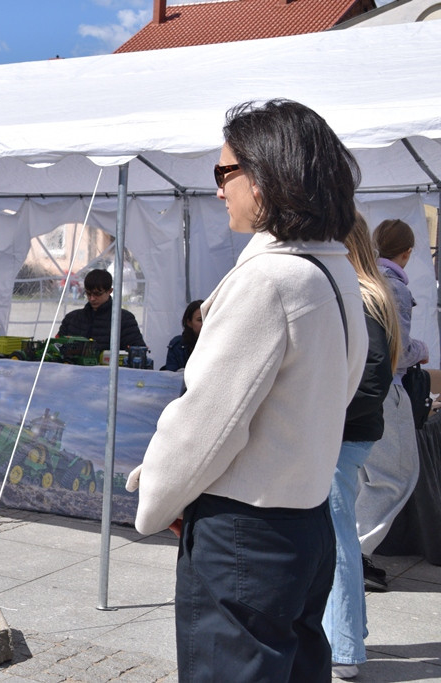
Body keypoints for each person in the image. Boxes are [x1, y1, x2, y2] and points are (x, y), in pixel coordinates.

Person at [127, 99, 367, 682]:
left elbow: (207, 421)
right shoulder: (333, 270)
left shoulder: (269, 278)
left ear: (267, 176)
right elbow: (343, 386)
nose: (217, 190)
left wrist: (156, 501)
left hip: (246, 533)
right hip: (303, 523)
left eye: (224, 173)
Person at [323, 213, 399, 680]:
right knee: (339, 534)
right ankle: (351, 636)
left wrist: (326, 418)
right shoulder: (372, 294)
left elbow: (371, 379)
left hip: (342, 434)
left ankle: (346, 650)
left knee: (337, 539)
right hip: (350, 431)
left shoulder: (363, 297)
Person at [354, 218, 429, 592]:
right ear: (408, 252)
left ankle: (351, 554)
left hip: (357, 389)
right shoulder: (393, 286)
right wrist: (424, 350)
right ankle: (354, 553)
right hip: (386, 391)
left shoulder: (361, 277)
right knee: (397, 477)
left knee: (363, 476)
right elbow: (396, 353)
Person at [56, 268, 146, 351]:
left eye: (97, 294)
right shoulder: (71, 319)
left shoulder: (124, 319)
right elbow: (56, 346)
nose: (92, 298)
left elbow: (138, 350)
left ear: (110, 291)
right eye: (88, 293)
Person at [161, 299, 203, 371]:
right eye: (200, 320)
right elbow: (171, 375)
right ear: (189, 322)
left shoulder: (219, 344)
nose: (205, 323)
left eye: (208, 319)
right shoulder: (177, 345)